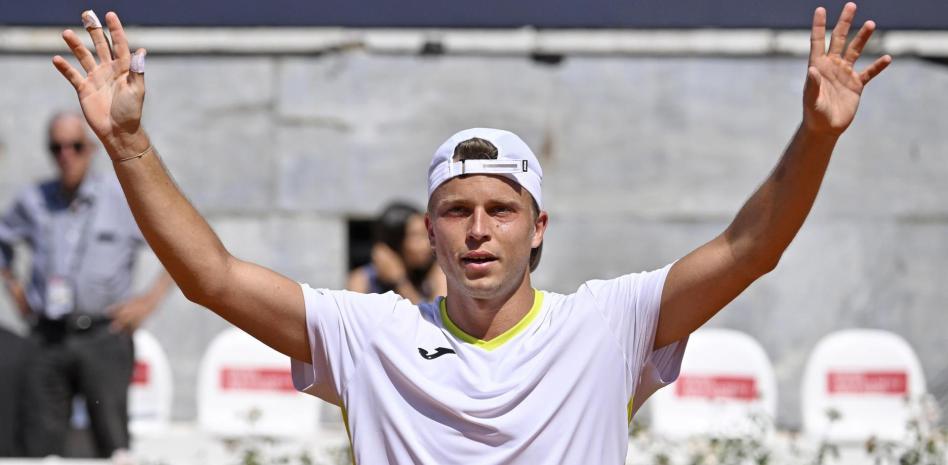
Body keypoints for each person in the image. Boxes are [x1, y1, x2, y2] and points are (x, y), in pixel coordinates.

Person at [51, 4, 890, 463]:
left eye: (501, 209)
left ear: (538, 228)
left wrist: (816, 136)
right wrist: (127, 145)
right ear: (430, 230)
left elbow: (751, 249)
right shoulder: (370, 333)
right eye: (457, 211)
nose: (479, 229)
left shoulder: (609, 323)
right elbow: (213, 277)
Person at [0, 111, 174, 458]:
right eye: (57, 147)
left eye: (75, 146)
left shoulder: (120, 197)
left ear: (91, 149)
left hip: (104, 334)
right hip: (49, 336)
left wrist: (147, 302)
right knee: (40, 446)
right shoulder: (34, 199)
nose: (66, 155)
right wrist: (14, 288)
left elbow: (176, 244)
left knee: (114, 445)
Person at [347, 201, 447, 303]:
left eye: (426, 234)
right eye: (416, 236)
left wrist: (400, 282)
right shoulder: (362, 280)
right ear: (395, 242)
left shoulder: (437, 272)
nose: (427, 244)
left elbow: (433, 313)